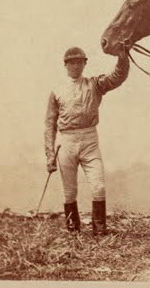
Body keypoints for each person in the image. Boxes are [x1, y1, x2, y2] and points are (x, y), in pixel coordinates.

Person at [44, 46, 129, 235]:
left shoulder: (94, 84)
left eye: (80, 61)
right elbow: (50, 125)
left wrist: (123, 57)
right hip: (66, 142)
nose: (76, 65)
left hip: (90, 140)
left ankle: (99, 231)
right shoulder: (57, 91)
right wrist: (50, 155)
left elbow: (117, 77)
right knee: (69, 191)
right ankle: (73, 232)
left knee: (98, 186)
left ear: (85, 64)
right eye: (72, 62)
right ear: (65, 65)